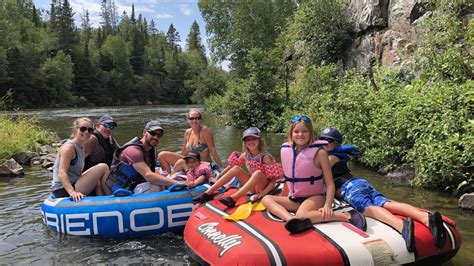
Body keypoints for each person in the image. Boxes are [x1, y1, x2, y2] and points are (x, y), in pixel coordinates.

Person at [319, 127, 446, 252]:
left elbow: (318, 171)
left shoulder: (331, 158)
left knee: (367, 208)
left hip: (349, 188)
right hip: (360, 183)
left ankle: (402, 226)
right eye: (321, 139)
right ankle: (426, 218)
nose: (324, 142)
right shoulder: (339, 155)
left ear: (337, 144)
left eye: (328, 140)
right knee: (385, 203)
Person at [261, 115, 366, 234]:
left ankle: (344, 216)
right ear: (291, 133)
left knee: (302, 214)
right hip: (295, 199)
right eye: (296, 131)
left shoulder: (320, 153)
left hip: (315, 198)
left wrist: (327, 205)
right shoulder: (286, 150)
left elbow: (330, 184)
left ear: (311, 133)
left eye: (304, 131)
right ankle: (290, 220)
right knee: (266, 199)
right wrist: (283, 196)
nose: (300, 134)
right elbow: (288, 179)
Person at [193, 127, 282, 207]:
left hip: (264, 187)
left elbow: (273, 181)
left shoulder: (265, 157)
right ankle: (207, 194)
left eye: (253, 138)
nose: (250, 142)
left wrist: (262, 194)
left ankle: (234, 198)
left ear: (259, 140)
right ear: (244, 142)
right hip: (253, 188)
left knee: (257, 173)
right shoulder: (246, 155)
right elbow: (231, 167)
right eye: (247, 140)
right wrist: (219, 177)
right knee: (236, 168)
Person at [102, 120, 181, 195]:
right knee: (157, 187)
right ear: (144, 132)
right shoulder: (133, 150)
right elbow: (148, 175)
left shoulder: (150, 149)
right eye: (153, 133)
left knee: (162, 182)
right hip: (121, 190)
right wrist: (176, 182)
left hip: (135, 184)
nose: (156, 137)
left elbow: (151, 171)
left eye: (159, 135)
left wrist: (169, 180)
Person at [51, 117, 109, 201]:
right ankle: (111, 197)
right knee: (103, 167)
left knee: (97, 177)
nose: (86, 132)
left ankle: (102, 199)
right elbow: (62, 172)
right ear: (74, 130)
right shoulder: (69, 147)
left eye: (90, 130)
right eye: (83, 129)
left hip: (74, 182)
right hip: (62, 189)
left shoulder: (80, 147)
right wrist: (72, 192)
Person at [157, 108, 223, 175]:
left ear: (201, 120)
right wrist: (175, 163)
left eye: (197, 118)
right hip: (189, 163)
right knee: (161, 155)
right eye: (191, 118)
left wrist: (221, 169)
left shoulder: (205, 130)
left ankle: (171, 178)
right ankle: (168, 176)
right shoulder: (187, 132)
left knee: (181, 162)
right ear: (188, 120)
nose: (194, 120)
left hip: (203, 164)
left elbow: (213, 151)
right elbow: (184, 153)